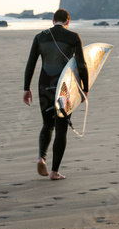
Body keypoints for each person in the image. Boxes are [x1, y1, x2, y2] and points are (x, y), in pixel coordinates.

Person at [23, 9, 88, 180]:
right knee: (61, 128)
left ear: (53, 21)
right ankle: (54, 171)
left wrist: (26, 88)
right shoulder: (73, 37)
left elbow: (31, 64)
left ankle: (41, 158)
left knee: (47, 124)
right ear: (68, 21)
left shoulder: (40, 37)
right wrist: (85, 88)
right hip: (64, 87)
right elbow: (81, 65)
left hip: (44, 84)